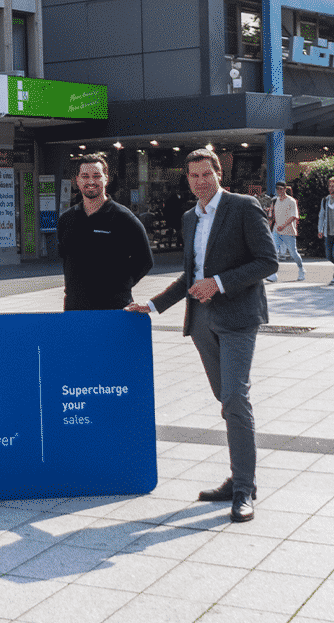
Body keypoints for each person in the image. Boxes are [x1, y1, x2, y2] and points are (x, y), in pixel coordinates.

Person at [126, 148, 276, 523]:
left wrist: (220, 283)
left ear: (218, 173)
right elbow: (190, 276)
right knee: (225, 402)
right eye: (192, 176)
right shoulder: (190, 218)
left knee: (235, 398)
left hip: (239, 318)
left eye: (205, 174)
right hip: (202, 323)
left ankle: (243, 488)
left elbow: (268, 261)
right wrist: (154, 305)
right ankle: (239, 478)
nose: (199, 182)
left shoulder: (243, 206)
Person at [57, 154, 153, 310]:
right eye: (85, 176)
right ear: (77, 180)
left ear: (106, 178)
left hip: (113, 309)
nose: (90, 181)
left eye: (96, 176)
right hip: (75, 310)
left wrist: (120, 286)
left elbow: (145, 260)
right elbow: (66, 259)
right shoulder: (66, 219)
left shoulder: (124, 218)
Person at [267, 181, 305, 282]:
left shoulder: (291, 201)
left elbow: (294, 216)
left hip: (288, 232)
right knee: (274, 252)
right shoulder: (275, 201)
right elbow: (271, 216)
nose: (279, 190)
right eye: (277, 189)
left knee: (293, 253)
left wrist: (283, 226)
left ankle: (301, 269)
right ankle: (273, 274)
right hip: (277, 231)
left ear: (285, 189)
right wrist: (269, 226)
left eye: (281, 188)